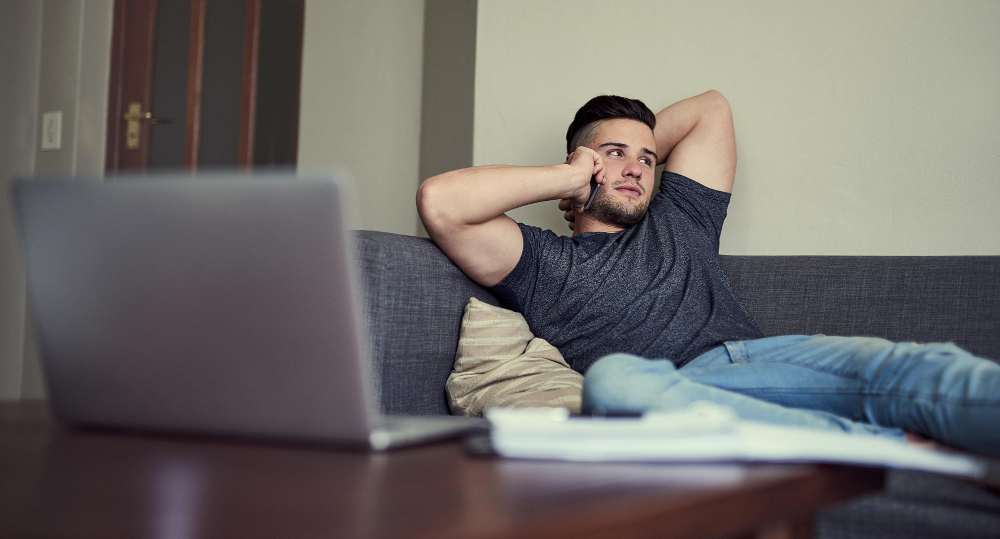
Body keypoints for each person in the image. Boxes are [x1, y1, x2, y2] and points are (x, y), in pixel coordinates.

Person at [416, 91, 1000, 456]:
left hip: (764, 359)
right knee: (615, 385)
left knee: (919, 368)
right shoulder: (543, 263)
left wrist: (629, 147)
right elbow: (441, 202)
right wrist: (568, 177)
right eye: (613, 154)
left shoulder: (681, 219)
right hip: (681, 393)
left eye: (648, 159)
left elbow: (709, 108)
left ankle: (887, 439)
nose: (637, 168)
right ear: (581, 163)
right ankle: (883, 449)